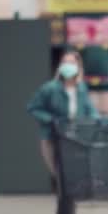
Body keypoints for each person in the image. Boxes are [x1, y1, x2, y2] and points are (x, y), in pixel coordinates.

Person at [27, 51, 98, 189]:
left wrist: (98, 120)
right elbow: (32, 108)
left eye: (71, 63)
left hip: (75, 138)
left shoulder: (81, 88)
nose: (68, 66)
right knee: (60, 175)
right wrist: (51, 119)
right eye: (65, 62)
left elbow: (90, 110)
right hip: (53, 138)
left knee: (72, 177)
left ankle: (68, 208)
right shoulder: (50, 88)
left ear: (78, 66)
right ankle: (65, 207)